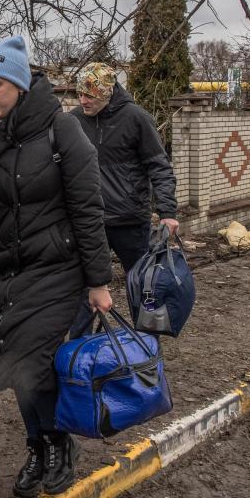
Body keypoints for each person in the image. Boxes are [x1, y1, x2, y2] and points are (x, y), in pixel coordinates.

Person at [0, 36, 112, 498]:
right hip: (7, 269)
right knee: (13, 364)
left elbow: (87, 209)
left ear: (19, 84)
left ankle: (58, 445)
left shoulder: (64, 131)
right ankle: (37, 447)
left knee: (35, 362)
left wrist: (99, 281)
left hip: (59, 269)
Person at [68, 63, 178, 335]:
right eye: (80, 94)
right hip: (89, 222)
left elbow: (159, 166)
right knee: (84, 289)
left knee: (141, 286)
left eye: (90, 96)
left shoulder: (136, 118)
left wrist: (167, 211)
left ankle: (146, 345)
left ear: (108, 93)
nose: (83, 100)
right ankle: (77, 352)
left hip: (130, 220)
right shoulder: (73, 121)